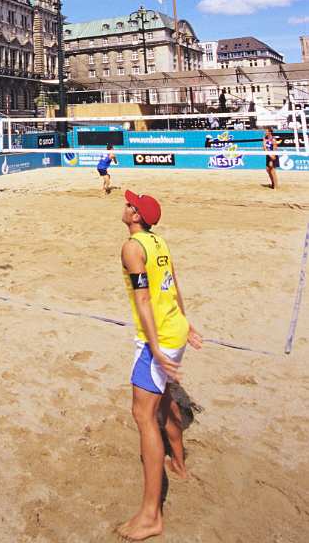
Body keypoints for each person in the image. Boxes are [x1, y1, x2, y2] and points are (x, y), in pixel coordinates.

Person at [118, 190, 202, 542]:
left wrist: (153, 346)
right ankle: (179, 462)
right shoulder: (158, 241)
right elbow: (173, 284)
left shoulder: (132, 247)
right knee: (165, 395)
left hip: (159, 337)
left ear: (136, 215)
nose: (124, 206)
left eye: (128, 204)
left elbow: (143, 300)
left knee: (143, 414)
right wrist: (187, 322)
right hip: (175, 329)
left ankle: (151, 515)